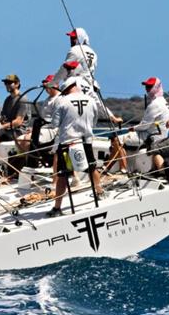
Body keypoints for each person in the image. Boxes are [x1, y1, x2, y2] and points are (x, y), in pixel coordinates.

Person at [47, 77, 122, 217]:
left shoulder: (62, 101)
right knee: (92, 167)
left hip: (67, 143)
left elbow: (54, 124)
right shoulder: (91, 100)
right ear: (75, 85)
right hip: (86, 141)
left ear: (66, 89)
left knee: (62, 175)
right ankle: (99, 192)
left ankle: (57, 208)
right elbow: (94, 121)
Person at [121, 76, 169, 175]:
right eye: (146, 86)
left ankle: (123, 170)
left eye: (150, 86)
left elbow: (144, 126)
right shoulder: (165, 102)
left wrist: (133, 128)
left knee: (117, 140)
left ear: (157, 87)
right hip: (162, 136)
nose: (147, 89)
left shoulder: (154, 104)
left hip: (151, 136)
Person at [0, 74, 30, 159]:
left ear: (17, 84)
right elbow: (3, 117)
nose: (7, 85)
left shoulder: (22, 99)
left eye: (9, 83)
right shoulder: (8, 100)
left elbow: (18, 121)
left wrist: (1, 127)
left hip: (18, 130)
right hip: (7, 129)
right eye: (6, 83)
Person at [15, 74, 60, 154]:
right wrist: (33, 128)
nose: (46, 87)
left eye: (49, 84)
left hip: (53, 130)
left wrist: (38, 128)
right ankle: (27, 160)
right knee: (19, 140)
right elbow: (42, 117)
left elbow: (56, 122)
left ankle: (32, 161)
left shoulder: (60, 99)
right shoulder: (47, 100)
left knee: (28, 139)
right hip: (42, 128)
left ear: (56, 84)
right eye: (46, 85)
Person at [53, 27, 98, 95]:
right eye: (71, 38)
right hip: (91, 87)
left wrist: (52, 83)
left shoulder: (74, 49)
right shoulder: (93, 53)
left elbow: (64, 69)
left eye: (74, 38)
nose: (71, 40)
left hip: (76, 85)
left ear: (80, 38)